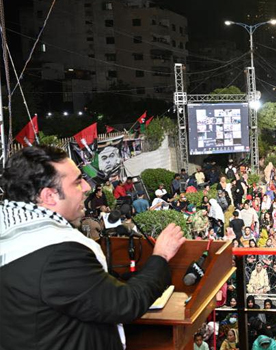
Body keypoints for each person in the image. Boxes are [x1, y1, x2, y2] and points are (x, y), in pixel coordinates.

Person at [0, 145, 186, 349]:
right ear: (49, 196)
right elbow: (124, 303)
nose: (87, 188)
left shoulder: (13, 235)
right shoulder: (56, 252)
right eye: (77, 182)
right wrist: (160, 255)